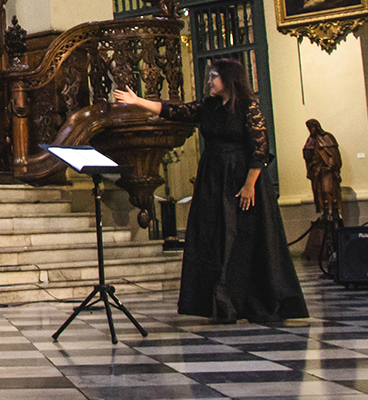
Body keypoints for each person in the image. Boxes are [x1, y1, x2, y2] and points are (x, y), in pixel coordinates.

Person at [114, 59, 308, 323]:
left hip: (240, 176)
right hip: (213, 177)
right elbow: (175, 110)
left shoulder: (248, 107)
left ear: (229, 79)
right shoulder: (210, 106)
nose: (209, 81)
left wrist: (250, 184)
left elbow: (260, 149)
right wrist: (138, 101)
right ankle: (219, 303)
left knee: (241, 236)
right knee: (212, 235)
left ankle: (248, 300)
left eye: (214, 76)